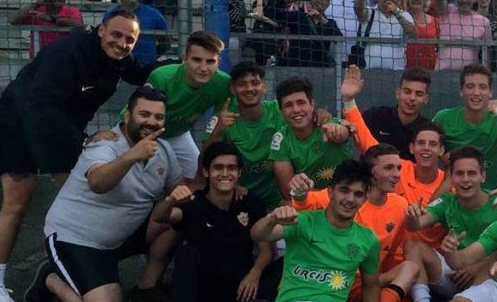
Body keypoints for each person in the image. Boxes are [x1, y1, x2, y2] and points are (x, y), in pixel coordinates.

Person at [0, 12, 149, 302]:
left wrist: (186, 67)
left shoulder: (120, 57)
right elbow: (39, 104)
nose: (122, 43)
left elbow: (142, 74)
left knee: (84, 194)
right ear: (100, 30)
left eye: (129, 39)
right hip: (22, 122)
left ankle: (67, 266)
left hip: (62, 126)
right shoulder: (66, 53)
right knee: (18, 200)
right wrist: (82, 140)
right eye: (116, 35)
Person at [23, 85, 183, 302]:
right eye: (144, 114)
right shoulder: (105, 144)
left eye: (158, 117)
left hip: (119, 239)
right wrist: (131, 156)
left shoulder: (164, 151)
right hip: (76, 239)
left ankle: (147, 287)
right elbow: (98, 183)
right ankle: (49, 279)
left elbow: (182, 192)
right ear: (127, 116)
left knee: (178, 215)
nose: (151, 122)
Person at [288, 144, 422, 302]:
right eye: (389, 168)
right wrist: (299, 192)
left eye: (398, 168)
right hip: (337, 279)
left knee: (410, 267)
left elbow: (410, 233)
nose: (396, 174)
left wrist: (415, 219)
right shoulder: (345, 196)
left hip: (371, 279)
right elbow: (304, 202)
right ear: (371, 173)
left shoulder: (400, 204)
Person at [151, 141, 281, 302]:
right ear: (206, 171)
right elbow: (161, 217)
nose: (225, 173)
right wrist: (170, 200)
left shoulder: (251, 202)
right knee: (186, 254)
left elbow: (265, 250)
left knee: (285, 264)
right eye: (218, 168)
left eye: (231, 168)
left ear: (239, 172)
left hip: (243, 287)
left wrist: (255, 273)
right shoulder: (194, 202)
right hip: (204, 289)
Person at [251, 159, 382, 302]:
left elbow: (371, 285)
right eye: (344, 190)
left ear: (365, 198)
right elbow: (257, 234)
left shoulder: (368, 239)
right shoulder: (303, 221)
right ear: (330, 192)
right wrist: (271, 220)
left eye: (358, 194)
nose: (350, 199)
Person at [403, 146, 497, 300]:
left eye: (472, 173)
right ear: (452, 178)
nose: (465, 179)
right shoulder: (447, 201)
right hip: (453, 273)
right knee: (412, 246)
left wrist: (477, 268)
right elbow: (415, 225)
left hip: (487, 277)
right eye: (459, 173)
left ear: (483, 176)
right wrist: (412, 216)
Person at [142, 30, 230, 178]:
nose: (203, 68)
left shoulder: (223, 82)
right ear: (185, 59)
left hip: (179, 134)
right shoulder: (162, 77)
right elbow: (138, 114)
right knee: (148, 180)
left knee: (199, 177)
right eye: (196, 60)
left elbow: (223, 119)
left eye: (210, 61)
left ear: (218, 63)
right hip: (148, 133)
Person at [433, 64, 497, 189]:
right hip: (451, 194)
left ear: (490, 92)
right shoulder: (443, 118)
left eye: (483, 87)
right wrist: (446, 156)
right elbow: (427, 150)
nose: (476, 93)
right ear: (461, 91)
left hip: (488, 195)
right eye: (470, 87)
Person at [204, 61, 289, 207]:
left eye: (255, 83)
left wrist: (322, 116)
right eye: (242, 84)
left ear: (264, 85)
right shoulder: (223, 119)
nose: (249, 89)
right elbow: (203, 162)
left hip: (278, 200)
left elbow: (307, 120)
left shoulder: (279, 110)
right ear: (232, 88)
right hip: (238, 199)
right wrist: (218, 131)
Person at [268, 76, 357, 196]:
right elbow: (288, 191)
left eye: (301, 103)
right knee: (286, 204)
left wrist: (339, 131)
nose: (296, 109)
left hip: (348, 198)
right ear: (281, 110)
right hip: (312, 202)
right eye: (288, 105)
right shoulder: (280, 139)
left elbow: (344, 132)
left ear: (312, 104)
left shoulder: (328, 124)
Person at [7, 0, 84, 58]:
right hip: (39, 60)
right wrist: (36, 4)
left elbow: (78, 24)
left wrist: (50, 18)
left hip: (64, 60)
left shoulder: (72, 11)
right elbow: (12, 20)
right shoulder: (36, 11)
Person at [354, 0, 415, 71]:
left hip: (397, 71)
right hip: (369, 70)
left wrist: (396, 13)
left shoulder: (404, 15)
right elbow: (358, 10)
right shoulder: (370, 13)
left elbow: (413, 33)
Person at [104, 0, 168, 64]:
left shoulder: (154, 14)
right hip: (117, 66)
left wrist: (151, 55)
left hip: (145, 68)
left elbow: (166, 42)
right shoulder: (110, 14)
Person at [277, 0, 342, 67]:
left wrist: (322, 20)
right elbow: (274, 14)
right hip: (295, 67)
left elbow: (339, 39)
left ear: (328, 4)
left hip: (320, 69)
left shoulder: (330, 23)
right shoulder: (298, 16)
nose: (319, 0)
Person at [435, 0, 491, 70]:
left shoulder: (484, 22)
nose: (464, 0)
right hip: (443, 73)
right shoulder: (447, 11)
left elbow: (488, 51)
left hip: (470, 76)